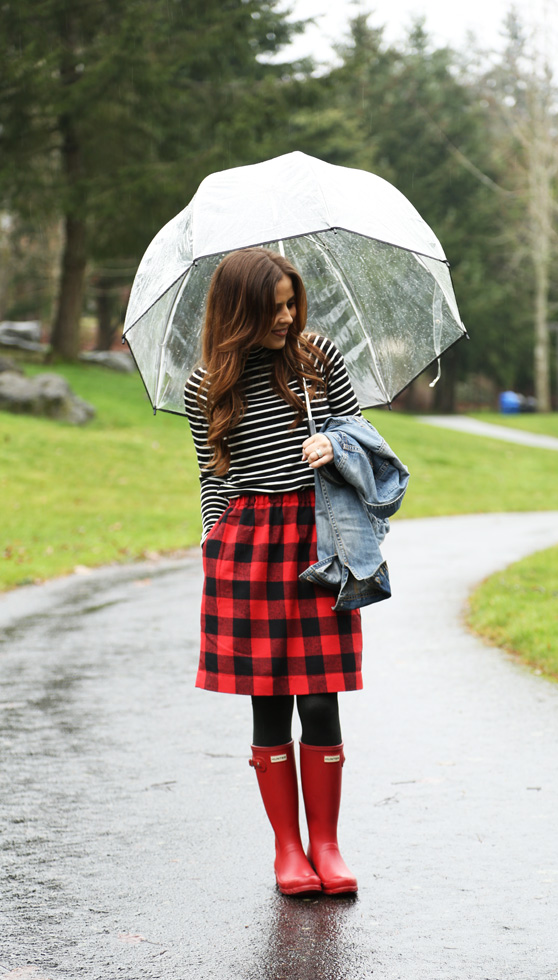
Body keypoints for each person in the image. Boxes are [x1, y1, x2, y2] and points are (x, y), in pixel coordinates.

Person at [184, 247, 363, 896]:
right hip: (248, 543)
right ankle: (288, 851)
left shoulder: (318, 359)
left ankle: (327, 845)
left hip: (318, 538)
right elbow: (214, 475)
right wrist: (212, 529)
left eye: (292, 303)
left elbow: (360, 433)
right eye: (274, 307)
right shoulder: (206, 384)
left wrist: (335, 443)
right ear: (240, 311)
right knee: (269, 702)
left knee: (319, 699)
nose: (287, 317)